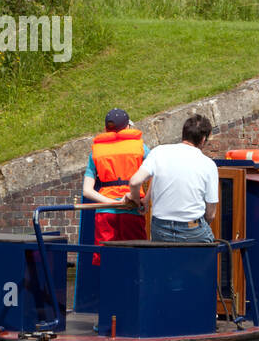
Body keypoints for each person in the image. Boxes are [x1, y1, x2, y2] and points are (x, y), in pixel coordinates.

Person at [126, 114, 219, 243]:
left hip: (160, 228)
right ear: (203, 140)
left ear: (183, 134)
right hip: (192, 229)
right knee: (215, 252)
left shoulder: (159, 152)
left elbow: (134, 181)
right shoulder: (209, 165)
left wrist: (138, 200)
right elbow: (211, 214)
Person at [82, 107, 148, 264]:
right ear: (127, 127)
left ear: (106, 129)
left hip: (105, 213)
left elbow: (87, 190)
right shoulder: (140, 148)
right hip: (131, 208)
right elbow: (158, 172)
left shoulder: (96, 152)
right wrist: (145, 199)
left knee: (106, 260)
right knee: (134, 259)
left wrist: (112, 202)